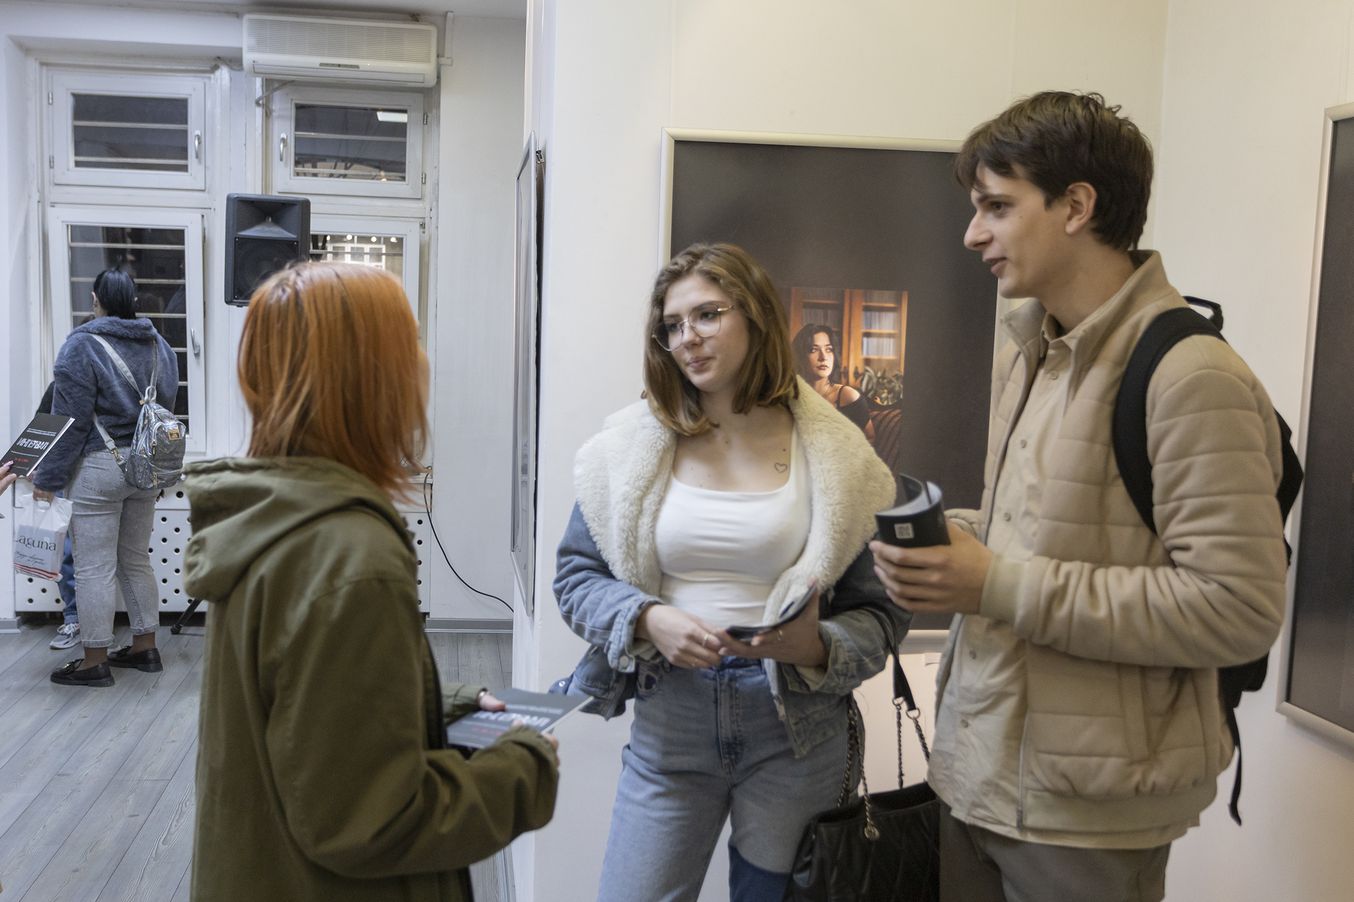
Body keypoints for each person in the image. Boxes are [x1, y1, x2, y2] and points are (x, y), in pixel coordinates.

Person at [869, 91, 1288, 902]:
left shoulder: (1192, 375)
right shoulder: (1033, 350)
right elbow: (1052, 534)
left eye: (996, 205)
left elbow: (1237, 607)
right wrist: (938, 543)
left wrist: (991, 581)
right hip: (979, 777)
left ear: (1077, 206)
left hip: (1087, 816)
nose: (973, 233)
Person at [183, 261, 559, 902]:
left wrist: (436, 705)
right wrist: (523, 766)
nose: (423, 362)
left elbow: (297, 701)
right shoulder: (350, 559)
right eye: (409, 340)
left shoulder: (273, 518)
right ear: (368, 377)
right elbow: (371, 821)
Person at [554, 243, 909, 901]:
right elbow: (576, 576)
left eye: (707, 315)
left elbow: (883, 611)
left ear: (755, 317)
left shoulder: (837, 453)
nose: (687, 338)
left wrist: (818, 646)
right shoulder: (628, 447)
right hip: (673, 715)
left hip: (796, 729)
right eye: (672, 325)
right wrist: (647, 617)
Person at [32, 269, 178, 687]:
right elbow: (165, 407)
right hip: (146, 466)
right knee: (135, 559)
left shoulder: (82, 345)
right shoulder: (159, 344)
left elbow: (70, 420)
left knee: (94, 567)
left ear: (96, 299)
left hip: (100, 465)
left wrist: (49, 474)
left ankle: (94, 659)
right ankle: (144, 647)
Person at [791, 323, 875, 441]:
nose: (823, 357)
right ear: (800, 356)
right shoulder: (789, 396)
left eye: (828, 349)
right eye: (813, 350)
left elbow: (870, 438)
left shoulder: (847, 396)